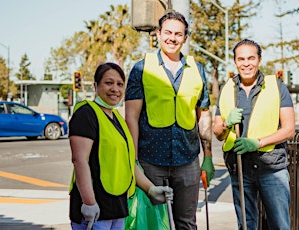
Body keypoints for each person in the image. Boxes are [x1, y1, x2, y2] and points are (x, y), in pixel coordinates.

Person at [125, 11, 214, 229]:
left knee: (186, 223)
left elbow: (203, 114)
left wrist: (208, 157)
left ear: (185, 37)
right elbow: (132, 116)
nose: (172, 38)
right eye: (167, 33)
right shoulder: (141, 68)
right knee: (155, 223)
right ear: (158, 34)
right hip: (150, 161)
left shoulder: (197, 69)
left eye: (178, 34)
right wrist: (134, 160)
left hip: (188, 161)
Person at [68, 62, 173, 230]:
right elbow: (80, 161)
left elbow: (128, 163)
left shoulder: (117, 118)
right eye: (108, 83)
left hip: (118, 207)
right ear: (96, 85)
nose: (115, 89)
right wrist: (89, 202)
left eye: (119, 84)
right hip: (93, 210)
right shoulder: (86, 114)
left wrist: (151, 189)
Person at [213, 39, 295, 230]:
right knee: (246, 225)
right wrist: (226, 123)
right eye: (241, 59)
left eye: (251, 58)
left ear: (259, 60)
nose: (246, 63)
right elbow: (217, 132)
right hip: (240, 168)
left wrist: (257, 143)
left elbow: (289, 129)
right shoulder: (227, 90)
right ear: (235, 62)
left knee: (280, 225)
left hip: (271, 168)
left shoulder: (276, 87)